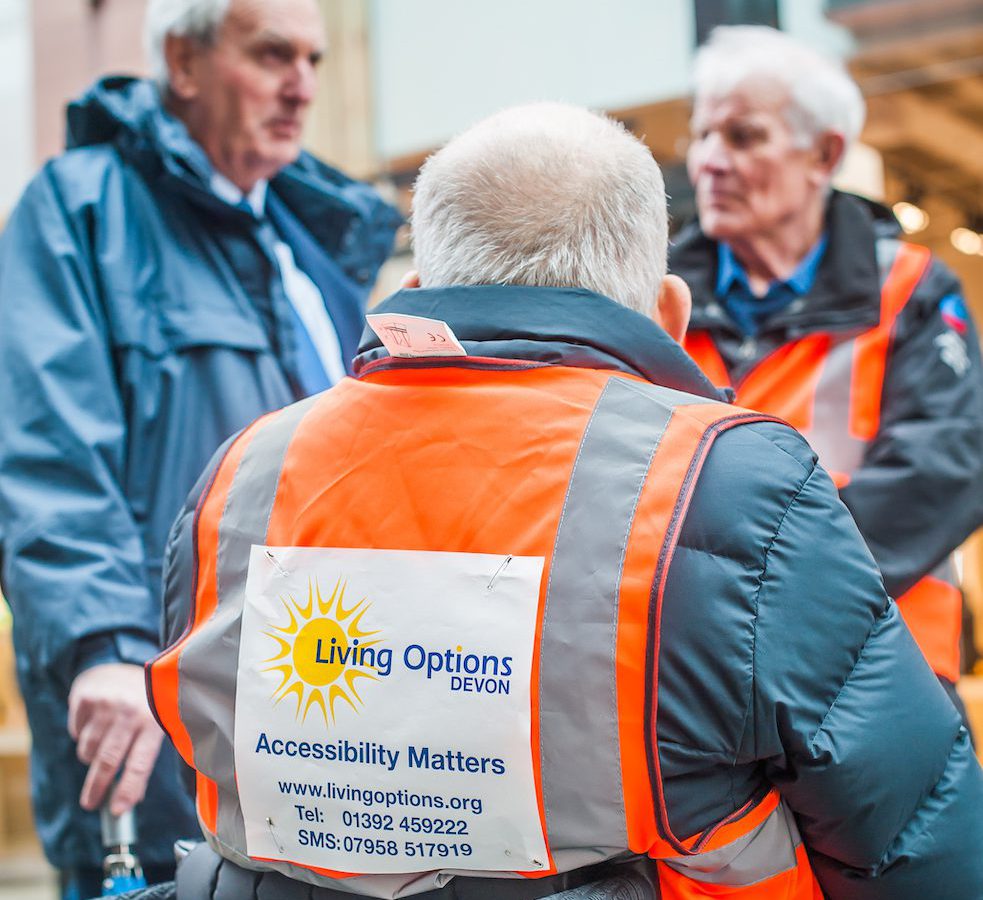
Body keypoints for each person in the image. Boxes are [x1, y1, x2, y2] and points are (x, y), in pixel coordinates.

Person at [146, 103, 983, 900]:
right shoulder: (728, 482)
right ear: (668, 313)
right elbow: (908, 830)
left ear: (425, 279)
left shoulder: (242, 471)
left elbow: (216, 770)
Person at [0, 0, 399, 894]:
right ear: (182, 61)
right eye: (270, 55)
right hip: (154, 713)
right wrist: (105, 648)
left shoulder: (308, 255)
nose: (301, 86)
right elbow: (45, 453)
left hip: (319, 714)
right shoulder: (81, 212)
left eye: (313, 59)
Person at [672, 26, 983, 712]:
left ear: (824, 154)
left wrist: (764, 594)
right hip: (697, 672)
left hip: (882, 665)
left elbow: (944, 468)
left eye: (741, 136)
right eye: (700, 136)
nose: (708, 162)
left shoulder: (910, 289)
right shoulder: (655, 298)